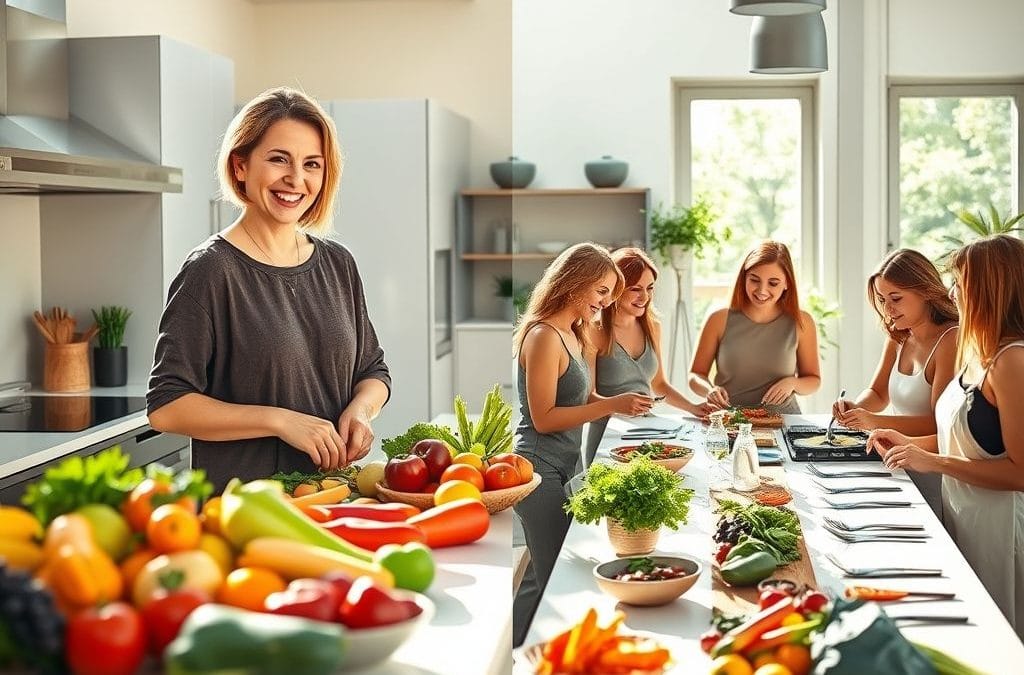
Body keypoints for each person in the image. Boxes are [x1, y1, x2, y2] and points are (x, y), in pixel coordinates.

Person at [147, 87, 391, 492]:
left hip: (331, 498)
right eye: (279, 159)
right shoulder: (211, 270)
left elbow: (372, 371)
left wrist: (361, 411)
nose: (296, 179)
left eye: (312, 164)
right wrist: (279, 420)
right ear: (240, 166)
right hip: (248, 512)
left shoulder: (337, 263)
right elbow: (167, 406)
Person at [868, 234, 1024, 637]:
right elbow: (960, 439)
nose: (951, 290)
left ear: (990, 289)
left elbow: (1020, 473)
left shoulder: (1013, 361)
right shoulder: (980, 352)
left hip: (1001, 528)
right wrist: (903, 442)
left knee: (999, 638)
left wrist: (933, 461)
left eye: (960, 281)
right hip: (964, 516)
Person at [512, 242, 652, 646]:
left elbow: (581, 398)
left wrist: (618, 404)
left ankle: (518, 650)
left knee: (543, 574)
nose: (607, 303)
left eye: (611, 294)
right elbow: (545, 416)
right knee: (557, 579)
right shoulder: (543, 337)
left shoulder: (575, 334)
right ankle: (528, 655)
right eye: (601, 292)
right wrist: (607, 407)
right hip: (538, 471)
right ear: (574, 284)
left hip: (566, 466)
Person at [831, 249, 958, 518]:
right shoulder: (899, 335)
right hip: (897, 463)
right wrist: (855, 410)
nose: (887, 309)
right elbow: (877, 392)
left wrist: (873, 421)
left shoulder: (951, 339)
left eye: (896, 298)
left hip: (933, 472)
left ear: (925, 291)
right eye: (881, 299)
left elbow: (940, 424)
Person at [582, 247, 715, 466]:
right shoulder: (595, 331)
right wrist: (618, 404)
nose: (645, 297)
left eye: (650, 288)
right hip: (608, 435)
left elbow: (659, 384)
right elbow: (588, 397)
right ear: (616, 289)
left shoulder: (652, 326)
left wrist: (694, 408)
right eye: (636, 289)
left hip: (644, 432)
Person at [689, 241, 820, 413]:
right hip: (731, 421)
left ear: (787, 283)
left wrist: (792, 383)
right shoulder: (719, 319)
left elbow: (813, 380)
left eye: (773, 283)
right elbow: (695, 375)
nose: (762, 290)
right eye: (754, 280)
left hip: (783, 422)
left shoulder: (801, 322)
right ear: (744, 277)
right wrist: (710, 390)